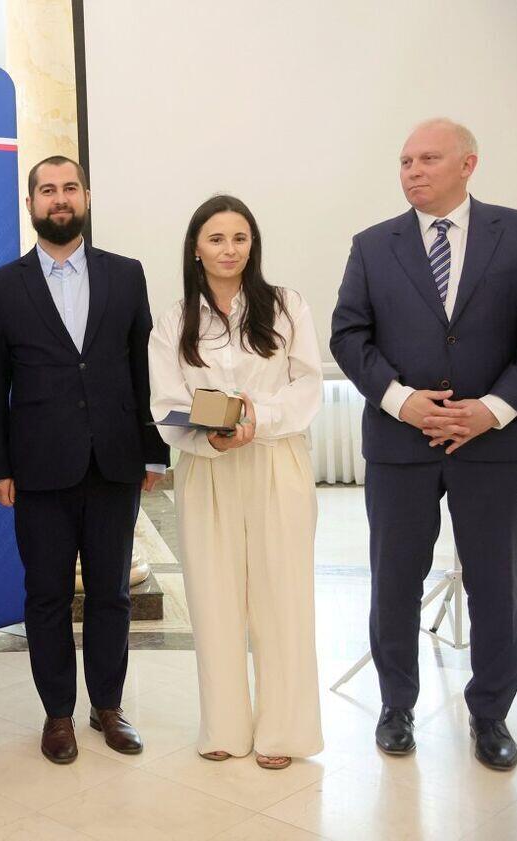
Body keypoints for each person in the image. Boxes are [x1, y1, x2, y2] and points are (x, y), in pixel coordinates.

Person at [330, 118, 517, 771]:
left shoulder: (515, 233)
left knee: (498, 583)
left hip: (493, 445)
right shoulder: (371, 246)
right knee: (394, 581)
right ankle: (396, 706)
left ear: (468, 163)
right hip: (399, 445)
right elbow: (348, 335)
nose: (412, 171)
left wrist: (491, 410)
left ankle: (490, 712)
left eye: (428, 159)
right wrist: (400, 399)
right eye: (406, 160)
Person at [0, 155, 168, 765]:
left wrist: (154, 452)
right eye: (47, 190)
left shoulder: (126, 274)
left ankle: (107, 706)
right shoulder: (1, 286)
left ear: (86, 197)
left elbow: (145, 369)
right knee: (47, 596)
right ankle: (57, 714)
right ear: (31, 203)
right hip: (38, 470)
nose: (59, 198)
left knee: (111, 594)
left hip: (115, 462)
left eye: (70, 188)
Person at [149, 195, 324, 769]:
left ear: (254, 245)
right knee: (213, 596)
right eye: (217, 239)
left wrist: (257, 420)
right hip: (207, 468)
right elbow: (166, 405)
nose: (230, 250)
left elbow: (307, 386)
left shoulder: (287, 306)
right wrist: (212, 439)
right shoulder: (174, 320)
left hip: (277, 460)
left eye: (240, 238)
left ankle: (284, 732)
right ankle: (224, 725)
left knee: (283, 597)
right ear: (196, 249)